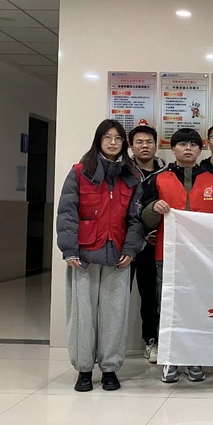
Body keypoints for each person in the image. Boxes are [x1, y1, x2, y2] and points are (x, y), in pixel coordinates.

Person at [56, 119, 144, 392]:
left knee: (114, 316)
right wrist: (69, 249)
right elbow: (67, 212)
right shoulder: (80, 171)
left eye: (118, 138)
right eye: (108, 137)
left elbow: (136, 219)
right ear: (99, 140)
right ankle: (84, 369)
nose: (113, 142)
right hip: (84, 255)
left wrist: (130, 249)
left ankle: (109, 369)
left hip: (118, 256)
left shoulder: (132, 175)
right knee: (82, 316)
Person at [140, 128, 213, 384]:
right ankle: (169, 359)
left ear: (200, 150)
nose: (188, 148)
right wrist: (154, 207)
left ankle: (194, 358)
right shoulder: (158, 179)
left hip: (202, 258)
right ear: (173, 149)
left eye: (193, 145)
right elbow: (144, 218)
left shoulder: (211, 179)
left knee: (198, 307)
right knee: (168, 308)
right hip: (167, 256)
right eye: (182, 144)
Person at [128, 125, 166, 364]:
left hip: (153, 245)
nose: (144, 146)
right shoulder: (122, 171)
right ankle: (108, 346)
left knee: (150, 296)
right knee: (117, 297)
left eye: (149, 141)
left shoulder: (166, 173)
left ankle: (151, 341)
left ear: (156, 144)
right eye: (139, 142)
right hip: (124, 243)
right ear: (131, 146)